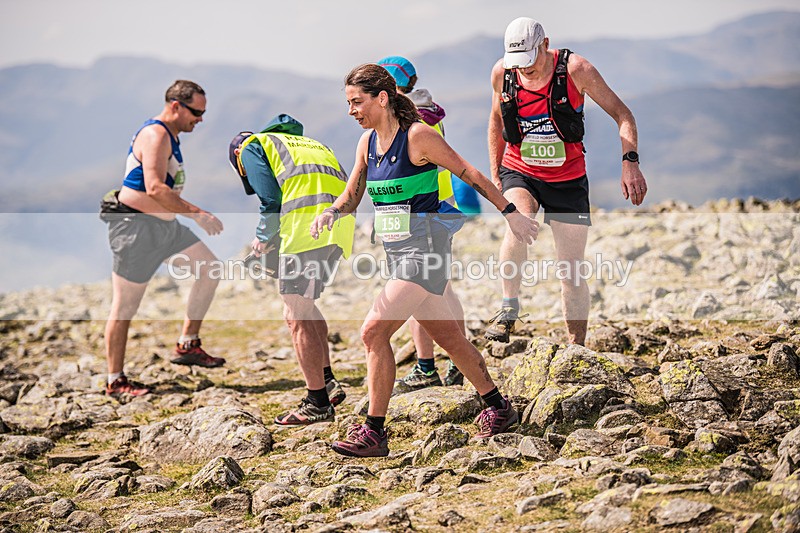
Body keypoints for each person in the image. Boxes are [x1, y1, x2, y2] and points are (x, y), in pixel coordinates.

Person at [310, 63, 538, 457]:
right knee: (448, 336)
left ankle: (374, 431)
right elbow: (352, 195)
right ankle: (498, 407)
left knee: (372, 333)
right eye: (348, 103)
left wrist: (510, 213)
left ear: (382, 98)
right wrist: (331, 212)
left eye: (356, 102)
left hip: (426, 252)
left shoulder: (417, 137)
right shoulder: (367, 143)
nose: (351, 111)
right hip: (399, 255)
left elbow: (469, 172)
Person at [484, 17, 648, 345]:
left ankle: (577, 347)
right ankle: (509, 307)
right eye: (518, 64)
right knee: (519, 220)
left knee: (571, 271)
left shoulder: (576, 70)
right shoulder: (503, 72)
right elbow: (495, 120)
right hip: (521, 169)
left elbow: (623, 114)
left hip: (568, 179)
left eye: (529, 62)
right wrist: (496, 174)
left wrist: (630, 163)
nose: (524, 70)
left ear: (545, 45)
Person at [102, 80, 226, 399]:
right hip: (136, 228)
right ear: (175, 106)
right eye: (196, 112)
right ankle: (115, 380)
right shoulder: (156, 134)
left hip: (165, 228)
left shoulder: (171, 136)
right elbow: (155, 188)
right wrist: (197, 214)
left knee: (209, 269)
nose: (200, 119)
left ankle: (188, 344)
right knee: (126, 305)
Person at [229, 114, 356, 425]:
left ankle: (317, 403)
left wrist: (262, 240)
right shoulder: (304, 144)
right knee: (306, 305)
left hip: (304, 229)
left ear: (236, 158)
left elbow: (270, 199)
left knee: (294, 315)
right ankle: (327, 383)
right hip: (336, 226)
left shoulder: (251, 146)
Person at [376, 55, 466, 392]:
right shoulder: (429, 112)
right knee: (441, 288)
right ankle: (455, 363)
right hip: (439, 207)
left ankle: (427, 367)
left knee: (417, 289)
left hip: (419, 212)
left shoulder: (405, 119)